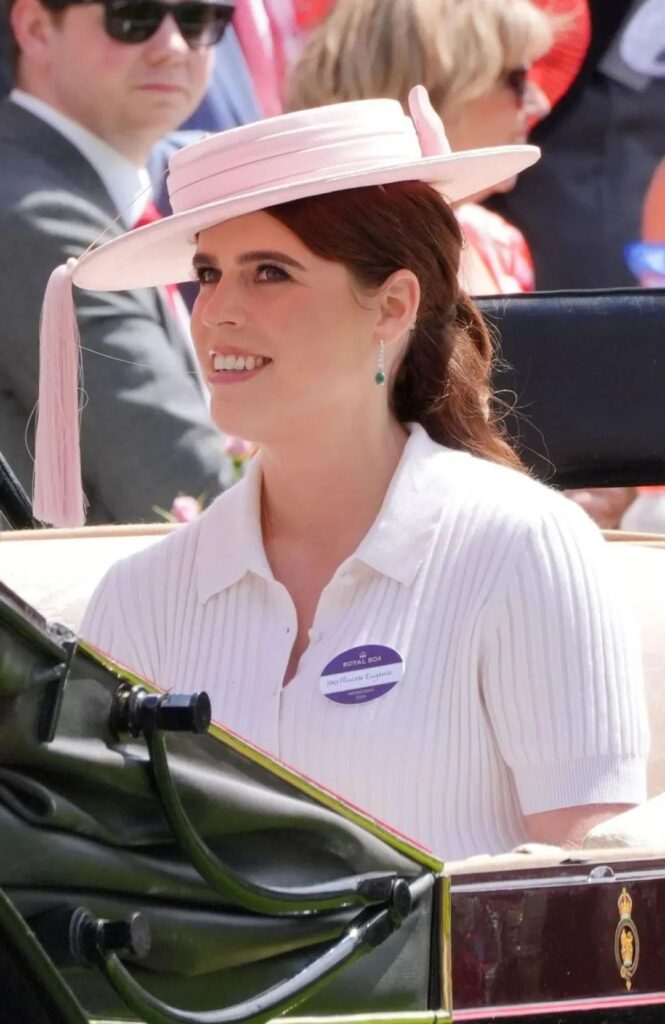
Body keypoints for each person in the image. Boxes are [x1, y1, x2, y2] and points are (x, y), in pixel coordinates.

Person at [41, 87, 649, 861]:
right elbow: (97, 885)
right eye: (207, 271)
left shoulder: (523, 546)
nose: (215, 310)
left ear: (392, 306)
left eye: (269, 272)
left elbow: (592, 901)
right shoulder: (139, 597)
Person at [0, 0, 236, 524]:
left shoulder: (164, 179)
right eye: (134, 16)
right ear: (37, 28)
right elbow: (185, 493)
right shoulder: (31, 214)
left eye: (199, 19)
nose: (173, 45)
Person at [284, 0, 552, 295]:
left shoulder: (499, 244)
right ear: (434, 90)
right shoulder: (311, 259)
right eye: (517, 78)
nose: (539, 103)